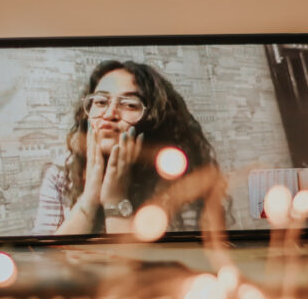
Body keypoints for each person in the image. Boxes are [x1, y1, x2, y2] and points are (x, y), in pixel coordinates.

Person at [33, 59, 219, 235]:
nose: (109, 114)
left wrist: (115, 199)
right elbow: (44, 259)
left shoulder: (181, 178)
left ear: (154, 122)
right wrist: (88, 200)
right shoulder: (60, 175)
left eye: (129, 105)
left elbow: (164, 266)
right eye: (100, 102)